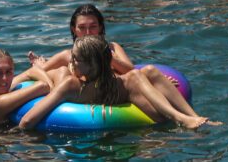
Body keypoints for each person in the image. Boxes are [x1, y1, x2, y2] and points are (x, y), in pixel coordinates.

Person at [19, 35, 216, 130]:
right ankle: (182, 118)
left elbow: (28, 122)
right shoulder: (69, 84)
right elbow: (27, 120)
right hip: (55, 86)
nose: (72, 62)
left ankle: (192, 117)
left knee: (143, 73)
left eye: (76, 59)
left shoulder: (115, 83)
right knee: (137, 76)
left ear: (92, 64)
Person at [0, 49, 52, 125]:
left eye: (8, 71)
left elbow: (32, 72)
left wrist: (42, 67)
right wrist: (55, 89)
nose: (4, 78)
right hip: (4, 138)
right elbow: (43, 86)